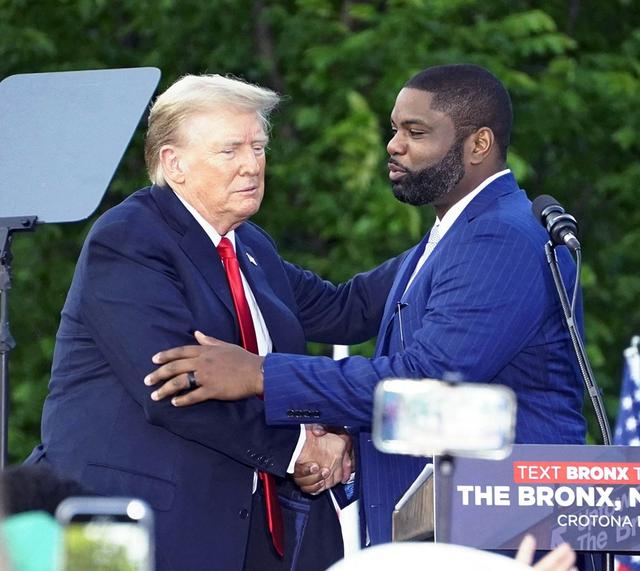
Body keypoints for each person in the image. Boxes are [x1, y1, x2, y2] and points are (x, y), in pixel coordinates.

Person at [145, 64, 587, 548]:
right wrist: (218, 240)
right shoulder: (456, 233)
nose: (394, 145)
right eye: (395, 129)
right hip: (451, 528)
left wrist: (259, 375)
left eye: (416, 132)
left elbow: (427, 382)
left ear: (478, 145)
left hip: (503, 536)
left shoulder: (500, 237)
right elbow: (345, 308)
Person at [25, 74, 401, 571]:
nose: (252, 164)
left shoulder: (250, 245)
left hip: (255, 530)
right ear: (173, 163)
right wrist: (299, 449)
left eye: (259, 147)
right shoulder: (129, 239)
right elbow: (176, 390)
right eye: (230, 151)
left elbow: (343, 309)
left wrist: (448, 237)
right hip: (146, 530)